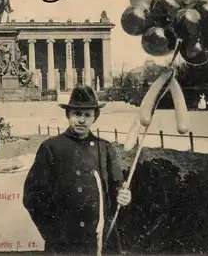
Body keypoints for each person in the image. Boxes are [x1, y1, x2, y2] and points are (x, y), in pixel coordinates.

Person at [23, 85, 132, 254]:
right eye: (77, 114)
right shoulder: (51, 147)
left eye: (87, 115)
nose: (82, 120)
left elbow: (117, 186)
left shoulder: (104, 148)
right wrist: (53, 232)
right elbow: (33, 195)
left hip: (101, 239)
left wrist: (123, 196)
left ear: (94, 117)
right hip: (64, 242)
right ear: (68, 115)